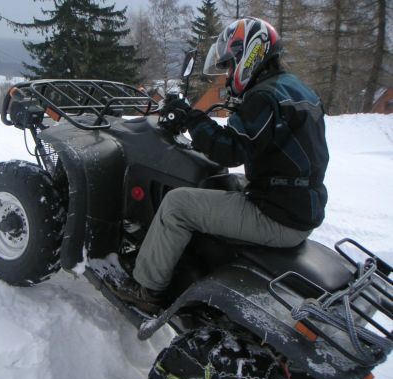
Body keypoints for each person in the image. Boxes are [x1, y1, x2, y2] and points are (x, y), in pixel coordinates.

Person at [110, 17, 329, 312]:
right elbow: (261, 145)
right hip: (297, 204)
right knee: (220, 182)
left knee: (177, 205)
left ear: (247, 55)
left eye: (228, 64)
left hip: (277, 215)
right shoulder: (295, 89)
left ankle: (146, 289)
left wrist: (192, 118)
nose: (227, 74)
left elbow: (229, 150)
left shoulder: (263, 96)